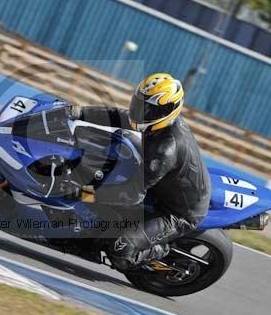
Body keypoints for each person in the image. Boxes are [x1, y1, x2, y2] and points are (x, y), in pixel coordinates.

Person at [72, 73, 211, 271]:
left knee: (121, 250)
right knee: (118, 144)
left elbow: (132, 194)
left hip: (177, 212)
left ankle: (162, 250)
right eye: (140, 104)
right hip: (163, 183)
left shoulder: (165, 150)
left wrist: (85, 194)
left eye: (149, 109)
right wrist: (78, 112)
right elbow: (117, 116)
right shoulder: (156, 123)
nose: (141, 111)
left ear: (167, 110)